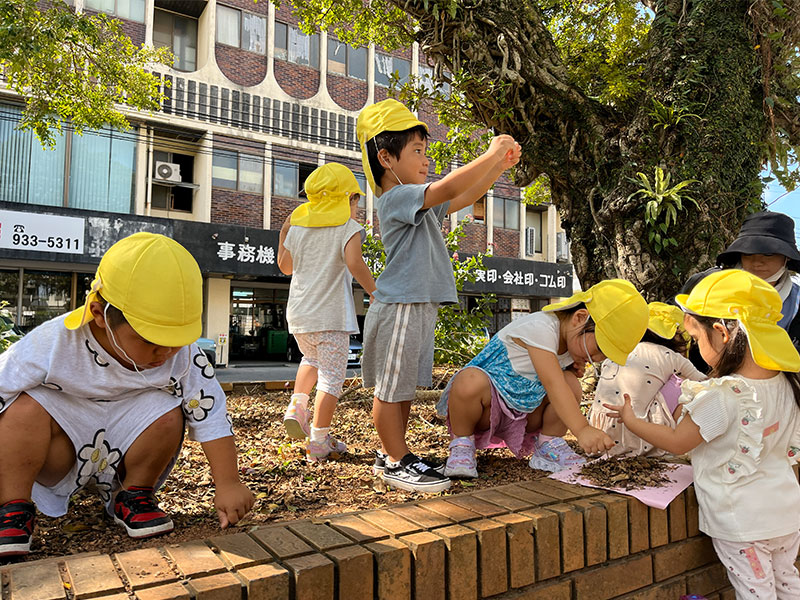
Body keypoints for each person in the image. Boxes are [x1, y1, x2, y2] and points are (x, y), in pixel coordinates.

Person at [0, 233, 254, 558]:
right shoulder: (53, 343)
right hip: (59, 451)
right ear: (99, 315)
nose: (165, 351)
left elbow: (210, 413)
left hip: (126, 452)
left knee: (169, 410)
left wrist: (229, 483)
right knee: (24, 407)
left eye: (175, 338)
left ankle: (133, 494)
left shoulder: (183, 355)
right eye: (150, 338)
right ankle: (13, 506)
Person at [356, 98, 521, 493]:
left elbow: (461, 196)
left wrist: (497, 167)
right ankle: (396, 460)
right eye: (416, 151)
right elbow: (448, 186)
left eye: (425, 152)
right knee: (390, 390)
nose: (425, 160)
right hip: (400, 305)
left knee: (404, 387)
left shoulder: (418, 202)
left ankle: (394, 452)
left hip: (417, 304)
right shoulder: (395, 198)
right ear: (386, 158)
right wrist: (489, 153)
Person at [604, 269, 800, 599]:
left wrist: (632, 421)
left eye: (695, 338)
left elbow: (679, 441)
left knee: (757, 593)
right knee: (788, 584)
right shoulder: (786, 384)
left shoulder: (722, 394)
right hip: (785, 516)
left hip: (741, 522)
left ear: (721, 333)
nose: (694, 346)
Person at [438, 279, 649, 478]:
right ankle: (462, 444)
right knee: (469, 380)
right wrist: (582, 429)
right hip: (488, 408)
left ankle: (549, 444)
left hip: (525, 413)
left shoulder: (570, 342)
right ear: (579, 317)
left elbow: (559, 381)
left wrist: (569, 365)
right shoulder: (541, 327)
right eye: (600, 348)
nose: (597, 359)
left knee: (570, 382)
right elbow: (552, 384)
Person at [277, 162, 376, 462]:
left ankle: (297, 404)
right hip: (330, 317)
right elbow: (355, 263)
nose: (357, 209)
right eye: (356, 202)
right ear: (347, 199)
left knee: (311, 359)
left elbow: (286, 267)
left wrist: (285, 231)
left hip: (299, 315)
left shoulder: (300, 228)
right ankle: (319, 439)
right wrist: (377, 292)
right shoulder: (348, 228)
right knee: (332, 378)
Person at [679, 210, 800, 370]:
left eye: (769, 253)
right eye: (749, 253)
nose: (757, 261)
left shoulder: (797, 303)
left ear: (787, 257)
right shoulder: (708, 285)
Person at [588, 302, 706, 457]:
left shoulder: (620, 352)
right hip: (638, 436)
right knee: (684, 385)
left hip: (599, 435)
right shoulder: (672, 357)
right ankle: (677, 440)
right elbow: (705, 383)